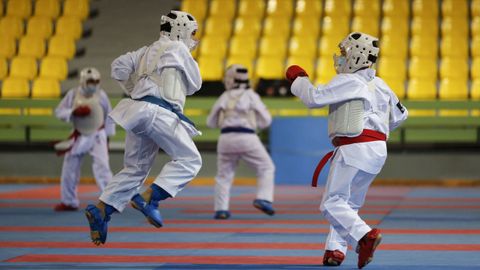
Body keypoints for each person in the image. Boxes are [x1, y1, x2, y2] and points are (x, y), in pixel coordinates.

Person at [285, 32, 408, 269]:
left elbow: (313, 98)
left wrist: (298, 79)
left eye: (343, 53)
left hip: (354, 148)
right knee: (348, 204)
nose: (340, 58)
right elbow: (401, 115)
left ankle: (364, 236)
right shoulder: (381, 84)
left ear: (356, 55)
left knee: (331, 203)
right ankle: (335, 250)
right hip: (377, 150)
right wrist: (377, 124)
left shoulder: (349, 81)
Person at [84, 10, 202, 246]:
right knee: (190, 160)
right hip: (160, 113)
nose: (194, 37)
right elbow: (195, 84)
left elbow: (117, 66)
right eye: (192, 32)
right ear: (180, 30)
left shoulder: (144, 51)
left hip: (137, 110)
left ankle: (101, 210)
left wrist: (136, 88)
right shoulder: (178, 49)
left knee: (135, 169)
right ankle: (150, 198)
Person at [206, 64, 275, 219]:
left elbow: (210, 122)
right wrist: (256, 124)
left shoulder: (224, 96)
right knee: (266, 167)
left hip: (225, 138)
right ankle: (263, 198)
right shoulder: (251, 95)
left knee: (224, 175)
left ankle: (221, 210)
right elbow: (266, 120)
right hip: (247, 137)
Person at [53, 67, 115, 211]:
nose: (94, 84)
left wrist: (108, 138)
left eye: (96, 81)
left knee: (103, 168)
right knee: (69, 168)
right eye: (91, 81)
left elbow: (109, 116)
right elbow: (59, 111)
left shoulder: (102, 95)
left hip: (98, 135)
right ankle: (69, 201)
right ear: (83, 81)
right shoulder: (73, 94)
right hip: (79, 134)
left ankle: (111, 202)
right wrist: (73, 112)